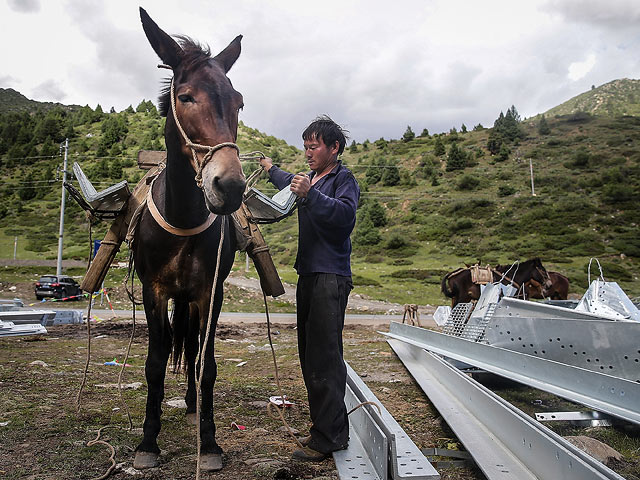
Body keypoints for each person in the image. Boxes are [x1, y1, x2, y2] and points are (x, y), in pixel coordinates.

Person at [259, 115, 360, 462]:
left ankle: (329, 438)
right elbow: (292, 181)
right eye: (305, 147)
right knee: (309, 356)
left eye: (313, 146)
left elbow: (344, 218)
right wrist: (270, 168)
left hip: (330, 277)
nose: (307, 153)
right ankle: (324, 428)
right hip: (310, 275)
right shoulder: (314, 178)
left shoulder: (343, 180)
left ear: (334, 148)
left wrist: (311, 195)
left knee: (325, 358)